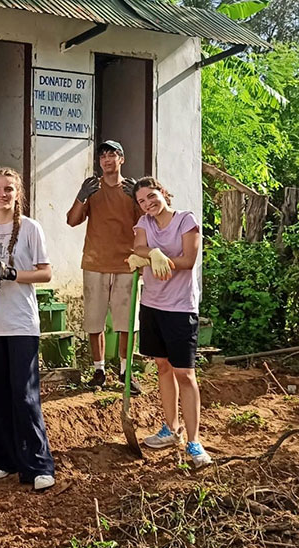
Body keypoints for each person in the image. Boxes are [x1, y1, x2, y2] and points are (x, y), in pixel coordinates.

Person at [0, 167, 55, 490]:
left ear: (17, 193)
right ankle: (4, 458)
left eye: (8, 189)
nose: (2, 194)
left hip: (20, 323)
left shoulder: (31, 229)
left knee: (24, 394)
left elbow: (45, 273)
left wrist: (13, 275)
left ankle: (37, 465)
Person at [127, 177, 211, 467]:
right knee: (162, 366)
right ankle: (171, 428)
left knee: (185, 374)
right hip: (151, 305)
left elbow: (188, 260)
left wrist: (163, 259)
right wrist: (151, 253)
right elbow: (138, 246)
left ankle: (194, 441)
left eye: (152, 196)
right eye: (142, 201)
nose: (148, 203)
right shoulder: (144, 224)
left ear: (162, 193)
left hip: (180, 307)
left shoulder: (185, 220)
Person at [66, 140, 142, 394]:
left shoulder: (132, 190)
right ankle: (98, 370)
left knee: (125, 323)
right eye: (103, 156)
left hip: (126, 263)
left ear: (122, 159)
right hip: (95, 262)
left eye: (113, 155)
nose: (107, 160)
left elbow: (146, 224)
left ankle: (125, 370)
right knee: (94, 321)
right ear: (99, 161)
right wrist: (80, 196)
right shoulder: (93, 189)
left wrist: (139, 201)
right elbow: (72, 220)